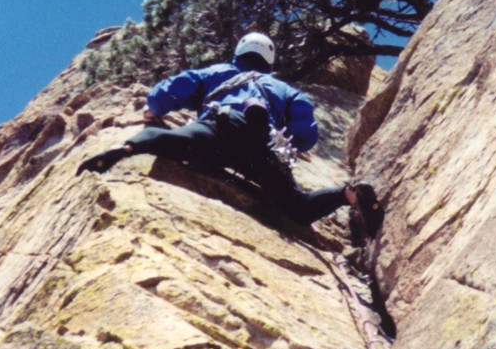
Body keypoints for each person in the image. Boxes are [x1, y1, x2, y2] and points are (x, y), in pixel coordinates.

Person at [77, 31, 383, 237]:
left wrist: (152, 111)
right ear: (269, 62)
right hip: (261, 148)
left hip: (219, 127)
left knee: (174, 142)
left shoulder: (217, 72)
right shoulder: (285, 90)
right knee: (298, 208)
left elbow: (170, 91)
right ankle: (348, 194)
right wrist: (288, 137)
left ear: (239, 52)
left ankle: (128, 149)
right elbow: (306, 136)